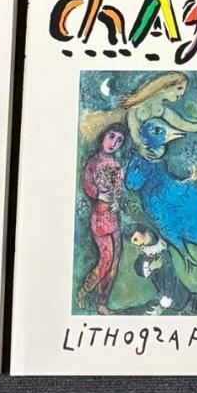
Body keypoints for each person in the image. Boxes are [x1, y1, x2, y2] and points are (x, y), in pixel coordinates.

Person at [76, 123, 127, 314]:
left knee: (114, 264)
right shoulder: (93, 163)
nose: (114, 143)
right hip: (100, 219)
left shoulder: (117, 166)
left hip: (114, 218)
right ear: (103, 137)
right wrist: (100, 195)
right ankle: (83, 291)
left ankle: (102, 303)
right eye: (111, 136)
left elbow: (118, 190)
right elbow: (88, 185)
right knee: (106, 259)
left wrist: (117, 201)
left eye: (119, 140)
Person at [129, 226, 191, 314]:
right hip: (163, 294)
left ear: (144, 232)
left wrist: (164, 303)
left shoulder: (162, 253)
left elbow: (170, 278)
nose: (136, 244)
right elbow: (138, 268)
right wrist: (150, 267)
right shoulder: (145, 252)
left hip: (176, 297)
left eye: (136, 239)